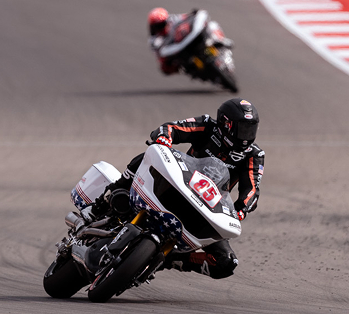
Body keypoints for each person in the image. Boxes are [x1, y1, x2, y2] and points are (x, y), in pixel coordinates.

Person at [91, 98, 264, 280]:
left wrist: (242, 209)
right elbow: (171, 128)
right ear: (225, 124)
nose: (247, 135)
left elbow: (252, 190)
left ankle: (172, 259)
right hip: (178, 186)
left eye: (251, 128)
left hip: (207, 209)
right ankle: (108, 197)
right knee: (148, 154)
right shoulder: (207, 125)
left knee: (226, 263)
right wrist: (164, 137)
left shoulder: (254, 155)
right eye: (242, 128)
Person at [148, 7, 233, 76]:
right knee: (168, 67)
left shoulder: (172, 20)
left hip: (187, 39)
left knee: (212, 25)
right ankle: (195, 70)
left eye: (161, 24)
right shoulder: (154, 40)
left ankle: (219, 39)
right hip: (178, 51)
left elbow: (186, 17)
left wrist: (195, 14)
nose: (160, 27)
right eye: (157, 26)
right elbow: (159, 56)